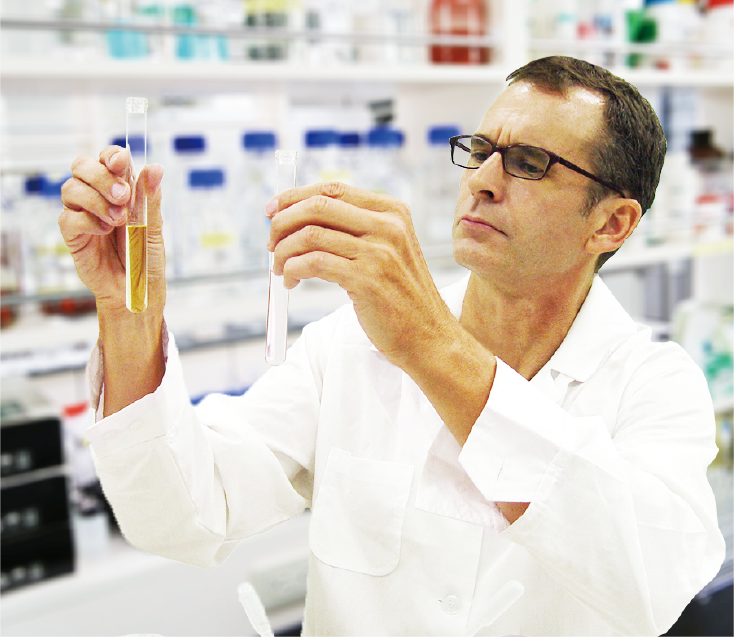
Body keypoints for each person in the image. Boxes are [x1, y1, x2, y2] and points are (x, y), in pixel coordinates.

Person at [59, 56, 724, 637]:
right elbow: (181, 514)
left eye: (529, 163)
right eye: (481, 150)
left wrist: (429, 345)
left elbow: (655, 584)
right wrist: (128, 312)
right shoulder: (349, 344)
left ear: (611, 223)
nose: (483, 180)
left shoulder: (654, 384)